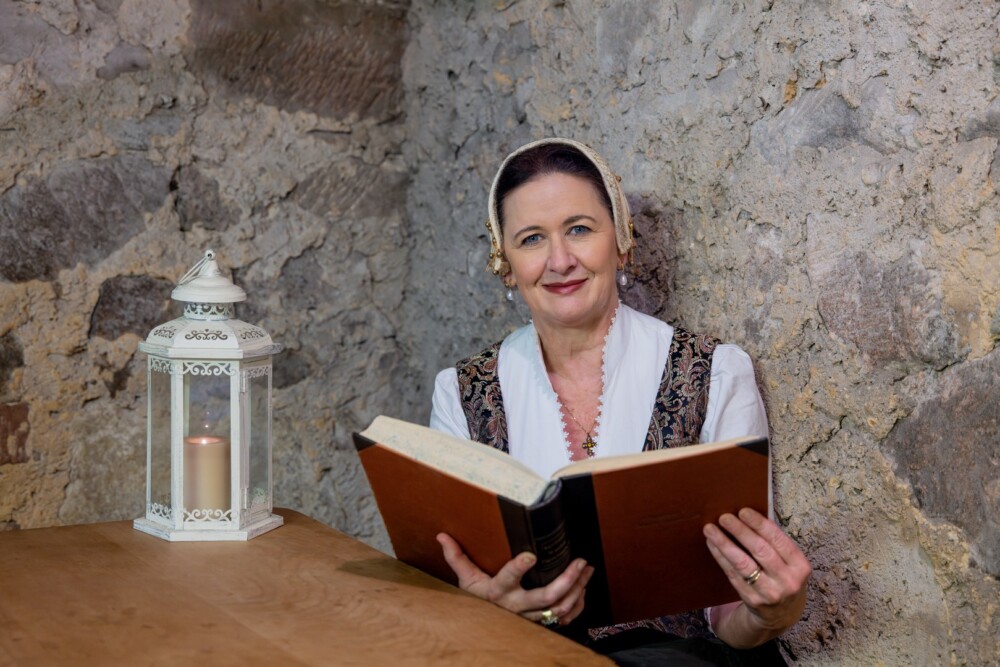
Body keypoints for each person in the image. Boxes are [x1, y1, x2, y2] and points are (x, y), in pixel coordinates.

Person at [429, 138, 810, 665]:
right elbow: (454, 588)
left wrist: (771, 614)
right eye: (532, 239)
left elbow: (731, 617)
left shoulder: (716, 373)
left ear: (621, 241)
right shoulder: (461, 393)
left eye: (579, 229)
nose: (560, 260)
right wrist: (485, 610)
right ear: (506, 264)